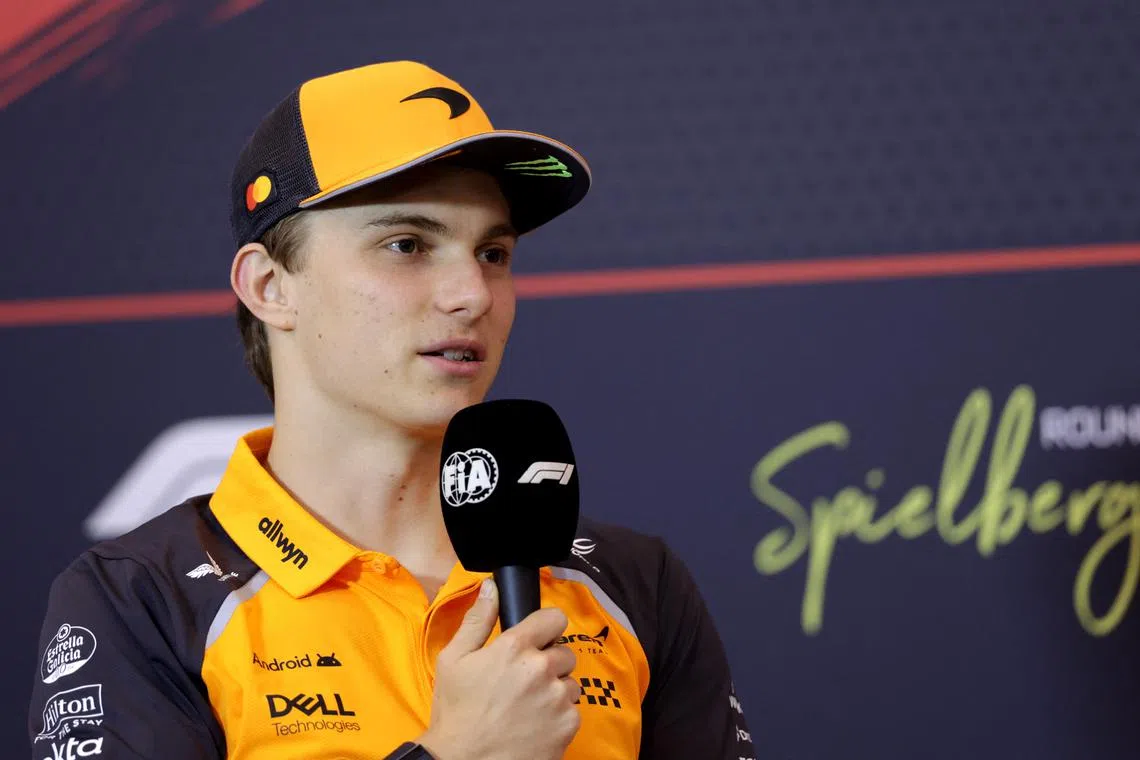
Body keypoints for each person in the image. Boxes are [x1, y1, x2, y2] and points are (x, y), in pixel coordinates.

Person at [27, 61, 755, 760]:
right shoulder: (137, 598)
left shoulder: (633, 582)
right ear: (270, 286)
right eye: (407, 245)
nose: (471, 294)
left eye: (494, 253)